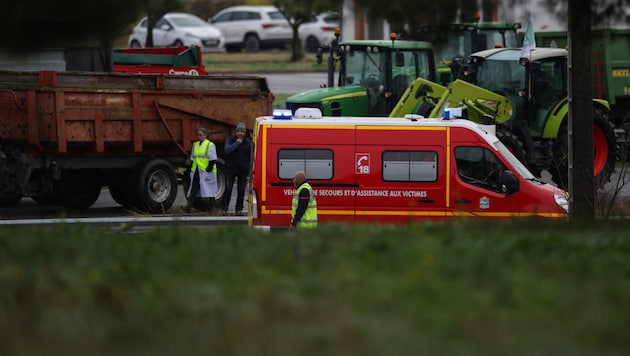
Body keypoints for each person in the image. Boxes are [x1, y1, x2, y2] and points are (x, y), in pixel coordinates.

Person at [184, 127, 219, 214]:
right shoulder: (195, 145)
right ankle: (188, 206)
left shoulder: (210, 145)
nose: (199, 136)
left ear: (205, 135)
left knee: (209, 190)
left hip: (206, 171)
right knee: (194, 189)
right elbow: (193, 157)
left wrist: (209, 168)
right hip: (197, 170)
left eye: (201, 135)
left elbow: (213, 158)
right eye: (198, 135)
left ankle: (213, 207)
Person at [222, 122, 252, 216]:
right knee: (228, 189)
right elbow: (227, 150)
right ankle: (224, 209)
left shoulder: (248, 143)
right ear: (235, 132)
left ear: (245, 133)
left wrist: (250, 170)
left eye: (242, 131)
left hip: (243, 170)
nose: (240, 133)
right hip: (230, 169)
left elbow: (251, 157)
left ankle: (239, 210)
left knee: (241, 190)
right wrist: (237, 143)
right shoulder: (230, 140)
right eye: (238, 131)